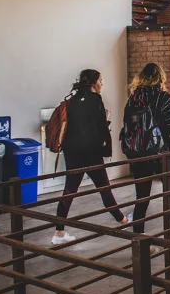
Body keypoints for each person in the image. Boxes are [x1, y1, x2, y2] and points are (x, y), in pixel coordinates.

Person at [52, 70, 129, 245]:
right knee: (104, 187)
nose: (102, 84)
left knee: (69, 190)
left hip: (72, 151)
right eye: (101, 80)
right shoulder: (95, 99)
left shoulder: (71, 100)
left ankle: (59, 232)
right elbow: (100, 126)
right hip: (91, 152)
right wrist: (107, 148)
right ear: (94, 82)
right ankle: (122, 220)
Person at [125, 63, 170, 241]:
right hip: (160, 153)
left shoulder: (133, 99)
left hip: (138, 154)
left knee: (141, 196)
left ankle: (139, 239)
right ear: (160, 78)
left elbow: (127, 124)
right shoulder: (162, 97)